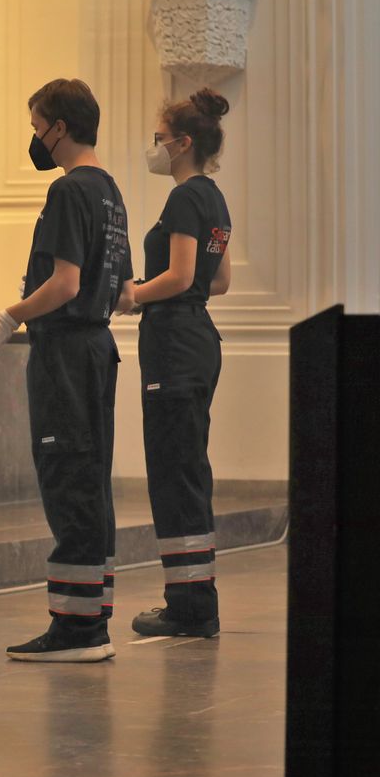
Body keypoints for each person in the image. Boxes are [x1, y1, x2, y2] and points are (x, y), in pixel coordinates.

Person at [0, 78, 135, 662]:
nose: (34, 138)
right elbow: (118, 290)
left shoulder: (69, 192)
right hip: (97, 348)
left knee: (67, 476)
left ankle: (76, 630)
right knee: (89, 479)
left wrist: (7, 317)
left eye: (37, 125)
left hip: (66, 353)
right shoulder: (110, 190)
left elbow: (65, 282)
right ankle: (91, 615)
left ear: (59, 128)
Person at [129, 89, 233, 639]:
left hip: (174, 343)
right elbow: (218, 281)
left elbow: (179, 276)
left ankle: (190, 608)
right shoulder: (214, 198)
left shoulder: (183, 199)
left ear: (184, 143)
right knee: (188, 470)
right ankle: (194, 599)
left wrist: (132, 294)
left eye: (160, 138)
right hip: (200, 340)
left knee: (174, 475)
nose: (156, 147)